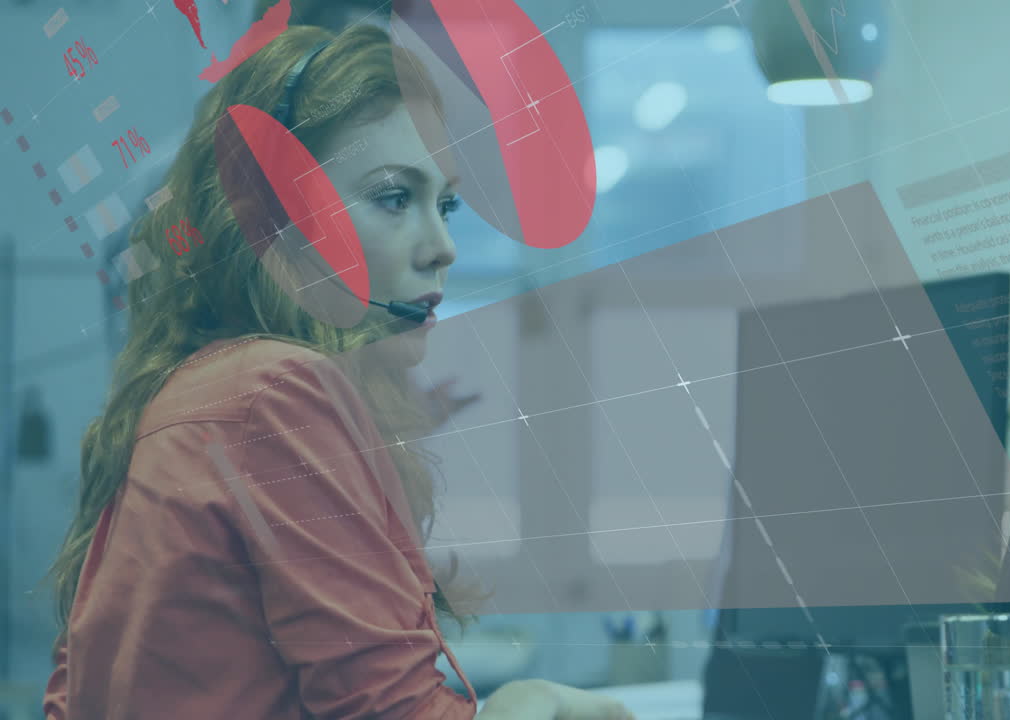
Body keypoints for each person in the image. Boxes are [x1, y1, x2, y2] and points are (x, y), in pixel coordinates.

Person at [42, 24, 632, 720]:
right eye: (392, 197)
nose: (442, 247)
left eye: (444, 204)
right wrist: (530, 703)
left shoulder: (202, 387)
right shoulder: (276, 392)